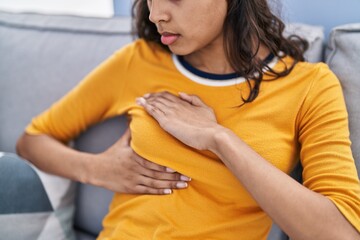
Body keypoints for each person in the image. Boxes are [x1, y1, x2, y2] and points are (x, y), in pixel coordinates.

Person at [16, 0, 360, 239]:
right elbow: (32, 141)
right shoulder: (140, 61)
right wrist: (98, 170)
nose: (156, 14)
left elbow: (338, 234)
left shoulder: (309, 86)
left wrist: (218, 138)